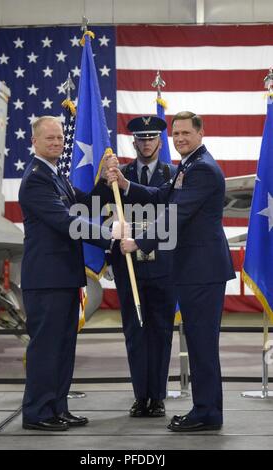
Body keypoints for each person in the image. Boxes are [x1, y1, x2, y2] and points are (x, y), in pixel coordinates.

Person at [106, 111, 235, 432]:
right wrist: (125, 184)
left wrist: (139, 242)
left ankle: (206, 413)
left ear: (200, 133)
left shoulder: (202, 169)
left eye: (185, 133)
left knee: (202, 343)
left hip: (202, 270)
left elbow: (175, 214)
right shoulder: (189, 166)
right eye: (175, 134)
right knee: (198, 341)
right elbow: (161, 195)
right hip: (194, 270)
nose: (179, 139)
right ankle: (206, 410)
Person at [19, 116, 114, 431]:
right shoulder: (36, 180)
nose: (56, 143)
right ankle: (37, 412)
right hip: (46, 281)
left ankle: (57, 407)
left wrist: (104, 180)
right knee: (46, 348)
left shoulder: (56, 176)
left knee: (63, 348)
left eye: (59, 138)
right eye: (49, 138)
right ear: (34, 141)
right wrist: (111, 237)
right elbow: (66, 222)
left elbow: (85, 208)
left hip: (63, 279)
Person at [108, 116, 177, 417]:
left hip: (164, 266)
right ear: (133, 142)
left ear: (160, 142)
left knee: (161, 332)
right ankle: (140, 396)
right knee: (134, 332)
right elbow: (105, 215)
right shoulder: (117, 175)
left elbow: (174, 219)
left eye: (151, 138)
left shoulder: (173, 175)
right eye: (141, 138)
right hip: (129, 266)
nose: (146, 142)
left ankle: (158, 396)